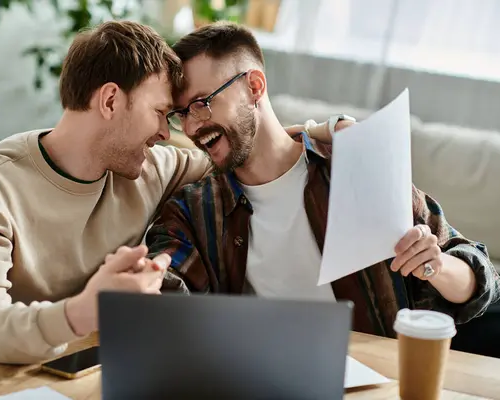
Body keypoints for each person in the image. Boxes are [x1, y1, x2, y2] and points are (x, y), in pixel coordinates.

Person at [0, 20, 334, 396]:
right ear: (110, 101)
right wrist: (80, 313)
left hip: (42, 371)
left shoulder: (151, 169)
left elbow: (244, 148)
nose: (167, 133)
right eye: (163, 112)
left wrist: (326, 133)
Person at [145, 22, 500, 338]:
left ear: (254, 86)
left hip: (376, 383)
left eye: (202, 103)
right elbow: (167, 293)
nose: (191, 127)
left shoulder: (353, 165)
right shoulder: (195, 210)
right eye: (181, 114)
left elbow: (479, 279)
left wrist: (434, 265)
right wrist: (143, 285)